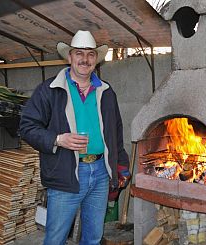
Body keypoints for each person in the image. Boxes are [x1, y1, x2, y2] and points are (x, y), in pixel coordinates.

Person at [20, 30, 130, 245]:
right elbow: (27, 127)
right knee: (56, 239)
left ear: (96, 59)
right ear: (69, 57)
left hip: (99, 173)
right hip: (65, 172)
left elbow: (116, 132)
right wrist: (58, 139)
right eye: (79, 53)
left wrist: (120, 166)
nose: (85, 59)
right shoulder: (49, 90)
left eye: (90, 54)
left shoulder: (106, 92)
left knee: (93, 238)